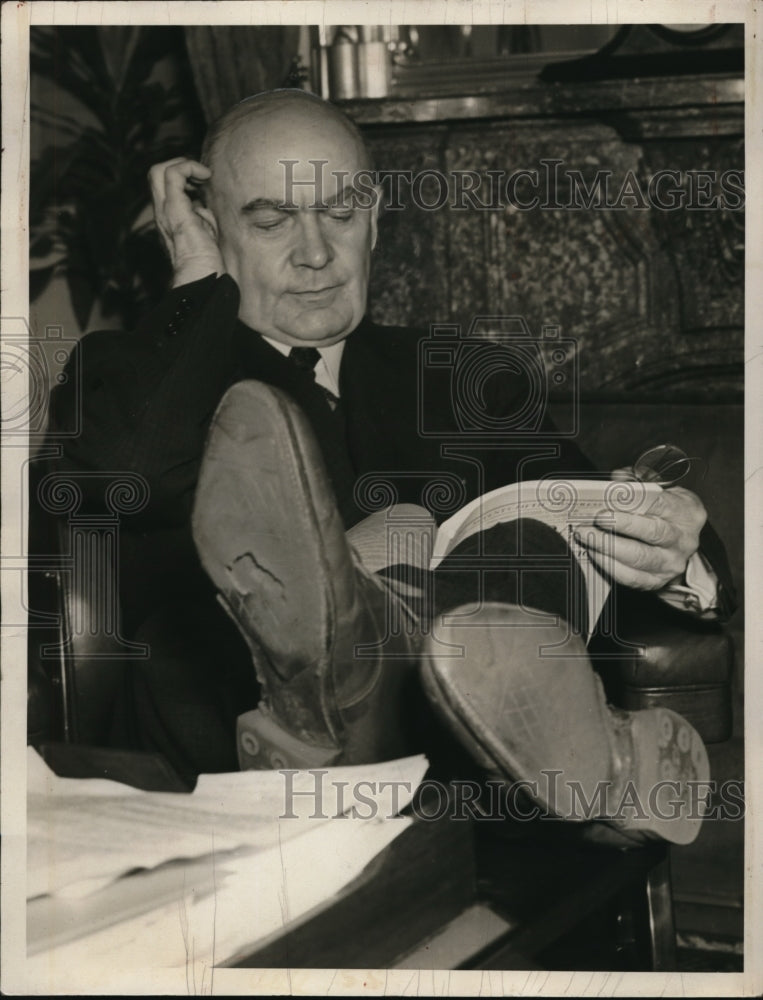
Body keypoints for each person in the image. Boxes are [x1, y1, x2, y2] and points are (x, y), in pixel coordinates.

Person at [48, 89, 734, 843]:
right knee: (334, 563)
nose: (314, 253)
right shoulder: (135, 374)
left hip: (464, 794)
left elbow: (588, 515)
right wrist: (195, 280)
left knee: (527, 538)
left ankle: (382, 660)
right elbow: (128, 478)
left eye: (340, 214)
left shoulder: (465, 377)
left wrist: (671, 555)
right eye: (270, 220)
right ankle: (600, 753)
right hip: (241, 792)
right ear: (211, 228)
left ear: (374, 220)